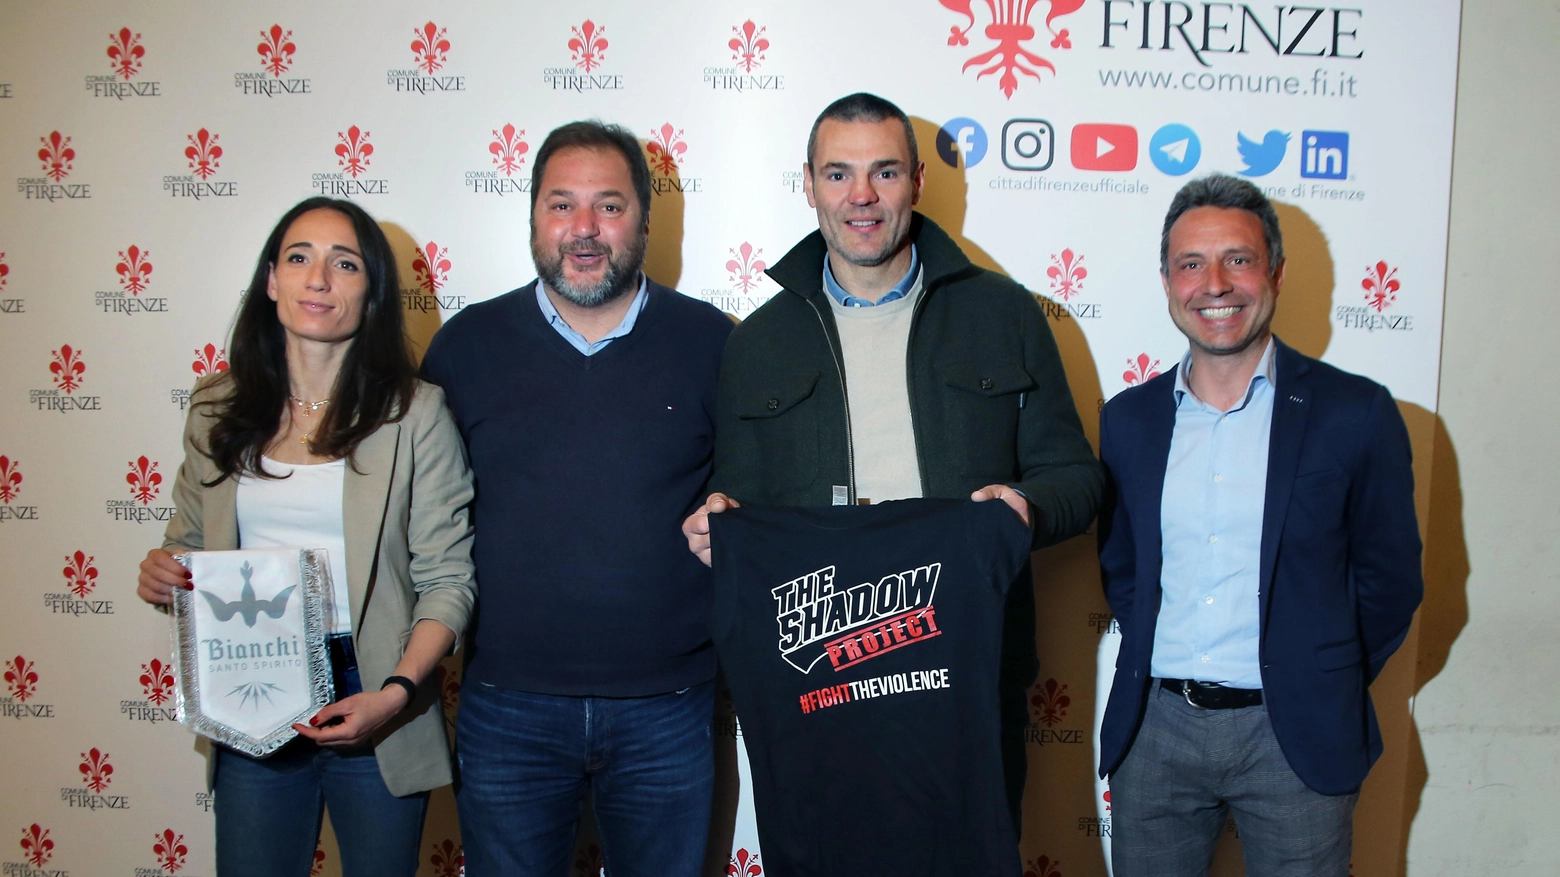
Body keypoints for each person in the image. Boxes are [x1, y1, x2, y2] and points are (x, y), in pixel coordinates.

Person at [681, 92, 1103, 835]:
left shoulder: (1004, 313)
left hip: (965, 674)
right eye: (838, 174)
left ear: (917, 181)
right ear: (807, 184)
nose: (862, 197)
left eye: (884, 172)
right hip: (818, 679)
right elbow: (737, 496)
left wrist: (1023, 510)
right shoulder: (760, 339)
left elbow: (1076, 476)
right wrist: (718, 525)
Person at [419, 121, 733, 876]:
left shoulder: (717, 344)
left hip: (670, 703)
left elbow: (754, 489)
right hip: (506, 705)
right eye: (562, 205)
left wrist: (737, 509)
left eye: (609, 206)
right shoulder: (465, 347)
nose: (584, 229)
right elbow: (416, 515)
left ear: (646, 221)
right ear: (532, 217)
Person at [136, 197, 476, 877]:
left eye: (343, 263)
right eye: (299, 257)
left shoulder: (417, 415)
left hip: (378, 712)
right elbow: (188, 542)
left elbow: (448, 581)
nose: (318, 277)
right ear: (271, 281)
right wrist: (163, 569)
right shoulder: (214, 409)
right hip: (254, 712)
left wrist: (394, 693)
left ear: (372, 294)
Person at [1095, 173, 1423, 877]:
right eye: (1191, 263)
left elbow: (1390, 580)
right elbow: (1123, 567)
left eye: (1238, 259)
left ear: (1273, 271)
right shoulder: (1128, 420)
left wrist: (1319, 670)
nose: (1215, 283)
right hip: (1155, 730)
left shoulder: (1355, 414)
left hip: (1294, 732)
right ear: (1167, 281)